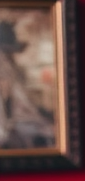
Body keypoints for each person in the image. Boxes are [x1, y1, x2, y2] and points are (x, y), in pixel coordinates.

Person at [0, 18, 54, 150]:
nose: (8, 56)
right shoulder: (4, 67)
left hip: (18, 119)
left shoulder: (13, 68)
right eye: (6, 51)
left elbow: (21, 100)